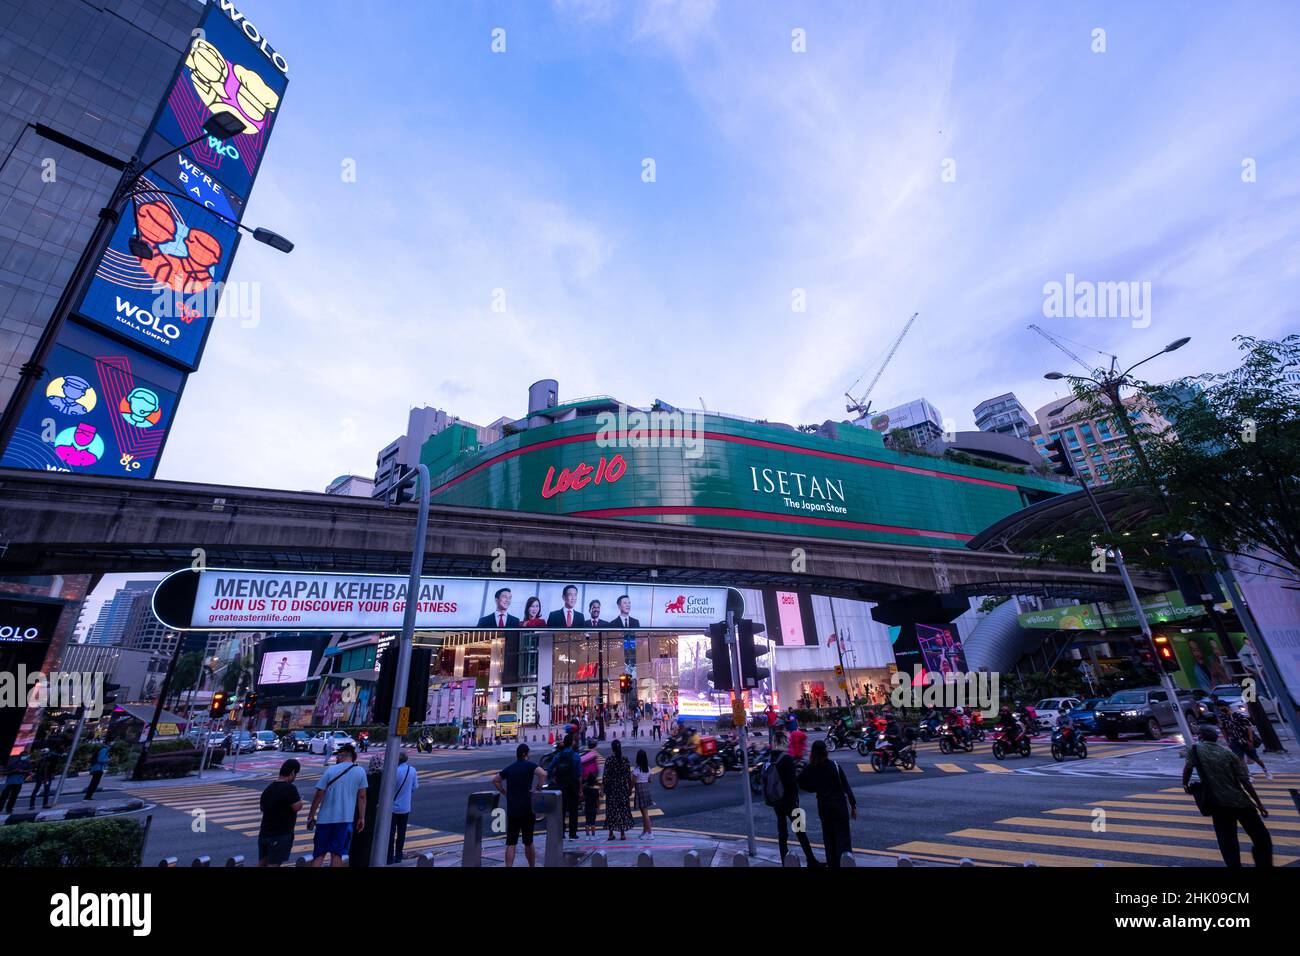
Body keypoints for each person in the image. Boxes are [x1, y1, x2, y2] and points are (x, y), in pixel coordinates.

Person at [1183, 725, 1272, 868]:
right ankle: (1264, 863)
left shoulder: (1195, 750)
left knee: (1227, 841)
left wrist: (1185, 785)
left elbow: (1188, 768)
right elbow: (1245, 781)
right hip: (1241, 802)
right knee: (1261, 837)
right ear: (1216, 738)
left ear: (1201, 737)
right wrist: (1259, 804)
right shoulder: (1229, 754)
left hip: (1219, 805)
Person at [798, 740, 856, 867]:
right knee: (844, 838)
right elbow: (846, 787)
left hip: (824, 807)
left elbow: (800, 781)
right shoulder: (834, 766)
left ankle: (832, 863)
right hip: (839, 806)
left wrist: (814, 788)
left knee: (829, 839)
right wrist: (853, 806)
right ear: (826, 751)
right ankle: (846, 863)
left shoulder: (811, 767)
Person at [307, 743, 366, 867]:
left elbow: (319, 794)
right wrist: (361, 817)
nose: (336, 759)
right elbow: (362, 796)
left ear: (341, 756)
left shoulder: (330, 770)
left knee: (319, 854)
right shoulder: (360, 771)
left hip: (324, 820)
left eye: (337, 756)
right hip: (345, 820)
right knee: (337, 854)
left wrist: (311, 815)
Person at [494, 743, 547, 866]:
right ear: (525, 754)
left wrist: (504, 791)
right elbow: (543, 774)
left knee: (511, 842)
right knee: (528, 841)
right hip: (527, 809)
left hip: (513, 810)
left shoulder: (510, 768)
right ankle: (531, 866)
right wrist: (538, 787)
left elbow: (495, 780)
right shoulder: (530, 766)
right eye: (528, 753)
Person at [770, 746, 821, 867]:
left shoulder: (771, 758)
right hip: (790, 802)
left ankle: (784, 861)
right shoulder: (786, 759)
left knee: (782, 833)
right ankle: (811, 860)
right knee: (800, 831)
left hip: (777, 802)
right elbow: (791, 782)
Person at [258, 759, 303, 867]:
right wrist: (301, 802)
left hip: (264, 833)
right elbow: (296, 807)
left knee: (262, 863)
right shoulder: (290, 788)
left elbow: (262, 808)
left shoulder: (269, 788)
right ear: (292, 772)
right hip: (279, 834)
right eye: (295, 774)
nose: (295, 777)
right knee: (274, 864)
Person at [1219, 703, 1272, 779]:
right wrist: (1228, 741)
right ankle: (1248, 774)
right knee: (1240, 759)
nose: (1222, 710)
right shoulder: (1223, 718)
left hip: (1245, 740)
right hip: (1234, 741)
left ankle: (1266, 771)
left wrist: (1250, 740)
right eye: (1220, 709)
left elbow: (1248, 727)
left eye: (1223, 708)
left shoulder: (1238, 716)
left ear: (1228, 708)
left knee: (1255, 758)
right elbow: (1224, 729)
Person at [549, 734, 582, 839]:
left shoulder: (559, 755)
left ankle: (561, 832)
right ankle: (572, 833)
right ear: (572, 743)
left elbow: (550, 768)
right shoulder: (576, 756)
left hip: (561, 784)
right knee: (573, 809)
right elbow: (579, 774)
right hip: (573, 784)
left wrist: (553, 778)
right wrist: (580, 789)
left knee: (561, 809)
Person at [601, 739, 634, 840]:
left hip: (612, 789)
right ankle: (622, 833)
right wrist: (629, 789)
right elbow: (628, 776)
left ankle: (611, 833)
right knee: (622, 810)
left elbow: (605, 776)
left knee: (611, 810)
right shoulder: (625, 760)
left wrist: (603, 789)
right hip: (622, 788)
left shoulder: (609, 760)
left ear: (612, 749)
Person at [389, 751, 418, 864]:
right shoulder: (412, 770)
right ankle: (399, 856)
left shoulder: (394, 771)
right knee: (401, 833)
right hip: (405, 807)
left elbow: (389, 788)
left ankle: (389, 857)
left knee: (391, 833)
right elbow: (415, 787)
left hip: (392, 808)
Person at [632, 749, 655, 840]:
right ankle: (645, 831)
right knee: (644, 813)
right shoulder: (648, 768)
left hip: (640, 789)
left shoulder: (636, 770)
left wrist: (629, 790)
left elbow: (633, 782)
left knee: (645, 814)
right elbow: (650, 780)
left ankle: (650, 833)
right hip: (646, 789)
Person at [582, 760, 601, 837]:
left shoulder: (585, 789)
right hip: (593, 808)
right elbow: (598, 800)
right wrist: (598, 808)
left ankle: (587, 836)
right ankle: (593, 836)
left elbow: (583, 797)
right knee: (593, 822)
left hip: (587, 807)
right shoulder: (596, 791)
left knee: (587, 822)